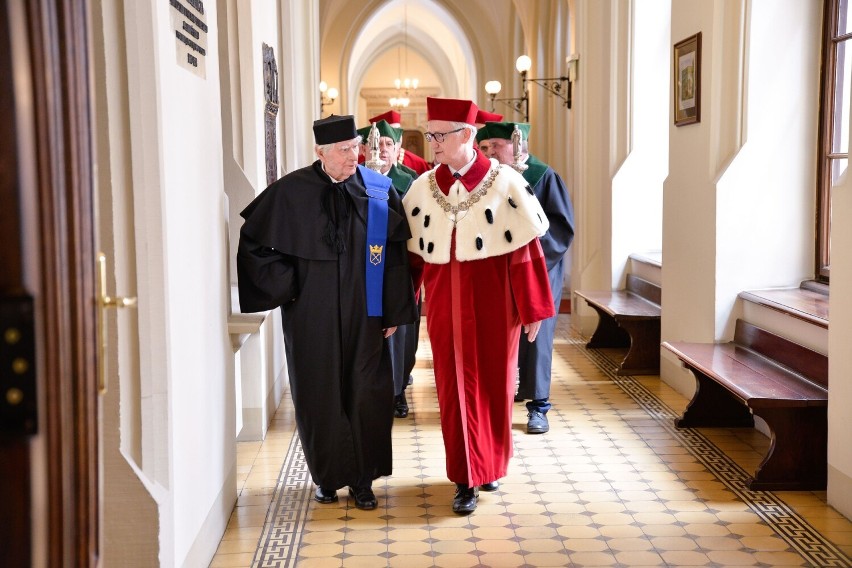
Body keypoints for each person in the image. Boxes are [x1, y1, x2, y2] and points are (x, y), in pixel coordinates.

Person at [236, 114, 418, 511]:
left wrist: (390, 311)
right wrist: (291, 287)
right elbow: (254, 245)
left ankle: (363, 480)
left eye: (356, 147)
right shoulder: (290, 192)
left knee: (367, 392)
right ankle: (327, 477)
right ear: (319, 152)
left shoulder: (378, 191)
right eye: (343, 150)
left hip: (365, 312)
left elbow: (396, 257)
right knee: (318, 392)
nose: (354, 156)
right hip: (310, 314)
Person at [402, 97, 555, 514]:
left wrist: (532, 306)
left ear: (466, 135)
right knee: (452, 392)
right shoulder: (422, 188)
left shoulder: (505, 183)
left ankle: (490, 465)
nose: (431, 141)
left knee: (495, 385)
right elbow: (413, 258)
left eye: (438, 134)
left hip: (495, 308)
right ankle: (465, 478)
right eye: (430, 133)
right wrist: (400, 309)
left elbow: (526, 249)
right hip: (445, 312)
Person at [481, 121, 575, 434]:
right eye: (487, 147)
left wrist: (529, 257)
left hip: (540, 270)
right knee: (503, 331)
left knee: (537, 337)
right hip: (499, 268)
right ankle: (509, 391)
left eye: (497, 145)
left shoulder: (544, 176)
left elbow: (561, 228)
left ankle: (539, 406)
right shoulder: (491, 179)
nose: (491, 152)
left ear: (518, 144)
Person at [360, 120, 418, 418]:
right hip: (365, 268)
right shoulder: (354, 180)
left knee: (400, 336)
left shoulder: (411, 182)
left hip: (399, 265)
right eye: (375, 143)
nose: (380, 149)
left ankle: (397, 392)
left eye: (387, 144)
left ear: (398, 150)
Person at [369, 110, 432, 176]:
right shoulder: (363, 160)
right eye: (392, 132)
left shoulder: (419, 163)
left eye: (398, 131)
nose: (397, 136)